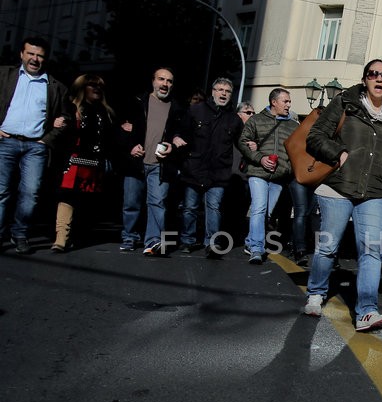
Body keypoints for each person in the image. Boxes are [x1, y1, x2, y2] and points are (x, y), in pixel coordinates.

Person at [301, 59, 382, 332]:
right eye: (373, 74)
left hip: (373, 192)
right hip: (338, 186)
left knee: (372, 250)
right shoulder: (345, 103)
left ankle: (367, 311)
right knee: (328, 245)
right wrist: (339, 154)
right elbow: (315, 136)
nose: (379, 78)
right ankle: (316, 291)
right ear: (365, 79)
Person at [0, 36, 69, 254]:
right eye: (31, 54)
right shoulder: (4, 75)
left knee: (30, 193)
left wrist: (46, 140)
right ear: (21, 54)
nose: (35, 59)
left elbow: (65, 118)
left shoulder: (55, 86)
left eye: (39, 55)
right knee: (1, 191)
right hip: (6, 141)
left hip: (35, 146)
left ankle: (19, 234)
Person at [115, 67, 189, 255]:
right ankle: (129, 237)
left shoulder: (178, 108)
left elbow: (182, 134)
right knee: (131, 203)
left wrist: (174, 145)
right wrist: (130, 146)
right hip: (136, 162)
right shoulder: (137, 102)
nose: (165, 84)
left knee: (157, 203)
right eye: (161, 79)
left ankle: (153, 241)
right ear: (153, 81)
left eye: (169, 81)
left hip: (161, 165)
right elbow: (119, 130)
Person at [50, 74, 116, 252]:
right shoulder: (71, 108)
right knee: (67, 197)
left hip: (96, 163)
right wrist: (56, 123)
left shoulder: (106, 112)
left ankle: (76, 236)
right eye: (91, 85)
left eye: (99, 86)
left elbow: (111, 139)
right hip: (73, 161)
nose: (96, 88)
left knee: (86, 202)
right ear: (82, 87)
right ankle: (61, 238)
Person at [178, 77, 243, 258]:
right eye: (220, 89)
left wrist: (251, 147)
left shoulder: (234, 119)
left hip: (219, 172)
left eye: (227, 91)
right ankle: (187, 240)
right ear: (212, 92)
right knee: (190, 208)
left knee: (213, 207)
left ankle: (211, 243)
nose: (223, 93)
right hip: (194, 168)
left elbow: (242, 143)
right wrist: (176, 138)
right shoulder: (195, 111)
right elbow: (182, 132)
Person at [237, 88, 298, 265]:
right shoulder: (256, 120)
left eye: (289, 101)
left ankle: (250, 241)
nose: (289, 104)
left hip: (279, 176)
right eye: (285, 101)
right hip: (257, 172)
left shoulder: (293, 125)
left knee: (267, 212)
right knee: (259, 207)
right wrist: (260, 158)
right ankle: (257, 248)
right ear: (274, 102)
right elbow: (243, 142)